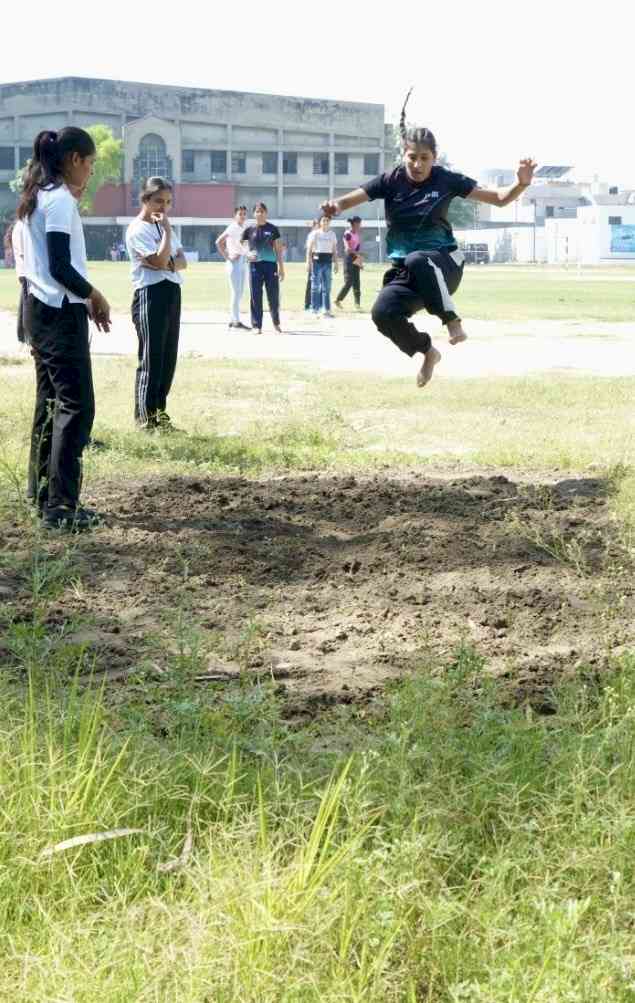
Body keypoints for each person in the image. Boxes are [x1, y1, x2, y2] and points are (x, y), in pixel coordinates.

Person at [322, 88, 536, 388]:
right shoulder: (390, 181)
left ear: (434, 158)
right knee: (382, 313)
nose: (418, 165)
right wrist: (334, 205)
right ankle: (427, 351)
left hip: (445, 266)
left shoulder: (446, 179)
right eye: (412, 158)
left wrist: (520, 184)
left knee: (418, 257)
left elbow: (499, 199)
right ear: (403, 156)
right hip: (408, 273)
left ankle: (452, 321)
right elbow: (348, 200)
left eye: (425, 158)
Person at [17, 127, 111, 531]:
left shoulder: (38, 197)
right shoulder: (58, 202)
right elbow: (59, 266)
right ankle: (61, 508)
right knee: (76, 407)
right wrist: (94, 294)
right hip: (58, 315)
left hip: (42, 312)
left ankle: (42, 494)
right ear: (74, 159)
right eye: (89, 163)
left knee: (51, 405)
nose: (90, 172)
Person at [125, 176, 187, 432]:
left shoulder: (163, 227)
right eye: (159, 201)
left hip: (171, 291)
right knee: (151, 359)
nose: (164, 207)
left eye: (168, 202)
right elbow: (161, 262)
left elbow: (182, 261)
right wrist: (168, 237)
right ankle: (145, 420)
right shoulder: (138, 229)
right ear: (145, 200)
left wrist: (168, 259)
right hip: (150, 294)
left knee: (167, 360)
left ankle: (160, 417)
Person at [241, 202, 285, 334]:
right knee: (255, 295)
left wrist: (281, 267)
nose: (259, 214)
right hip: (255, 265)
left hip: (270, 265)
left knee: (273, 295)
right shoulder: (249, 229)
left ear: (266, 213)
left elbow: (278, 249)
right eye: (257, 211)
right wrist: (247, 253)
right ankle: (256, 325)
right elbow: (242, 244)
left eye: (262, 211)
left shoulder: (273, 229)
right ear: (254, 214)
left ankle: (276, 323)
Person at [215, 205, 250, 330]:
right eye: (240, 214)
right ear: (235, 216)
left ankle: (233, 319)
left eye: (244, 214)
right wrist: (228, 257)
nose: (242, 216)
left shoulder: (245, 227)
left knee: (240, 292)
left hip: (242, 261)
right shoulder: (232, 227)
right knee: (236, 292)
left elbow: (244, 245)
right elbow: (218, 242)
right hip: (234, 262)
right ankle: (236, 321)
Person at [306, 215, 339, 317]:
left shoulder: (332, 234)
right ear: (320, 222)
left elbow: (334, 250)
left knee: (327, 287)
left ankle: (326, 309)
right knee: (315, 286)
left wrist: (336, 263)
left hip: (328, 262)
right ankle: (314, 309)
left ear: (330, 222)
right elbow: (309, 249)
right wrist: (308, 262)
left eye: (327, 220)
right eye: (323, 220)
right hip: (317, 262)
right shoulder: (315, 233)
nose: (325, 222)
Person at [335, 215, 363, 310]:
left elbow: (357, 249)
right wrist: (356, 254)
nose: (360, 225)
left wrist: (360, 262)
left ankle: (357, 304)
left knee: (357, 282)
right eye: (359, 223)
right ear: (355, 223)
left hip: (355, 258)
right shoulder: (347, 233)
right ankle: (338, 300)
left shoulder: (357, 235)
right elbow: (347, 249)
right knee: (349, 282)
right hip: (348, 259)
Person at [11, 219, 28, 343]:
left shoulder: (20, 225)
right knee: (26, 304)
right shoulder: (23, 226)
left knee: (24, 302)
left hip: (24, 271)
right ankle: (23, 335)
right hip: (27, 271)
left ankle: (22, 335)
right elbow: (23, 253)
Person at [304, 219, 319, 310]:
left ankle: (317, 304)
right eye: (316, 224)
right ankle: (307, 304)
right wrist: (308, 262)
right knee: (311, 282)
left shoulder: (322, 234)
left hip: (321, 257)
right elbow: (308, 250)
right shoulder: (311, 235)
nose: (318, 226)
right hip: (313, 257)